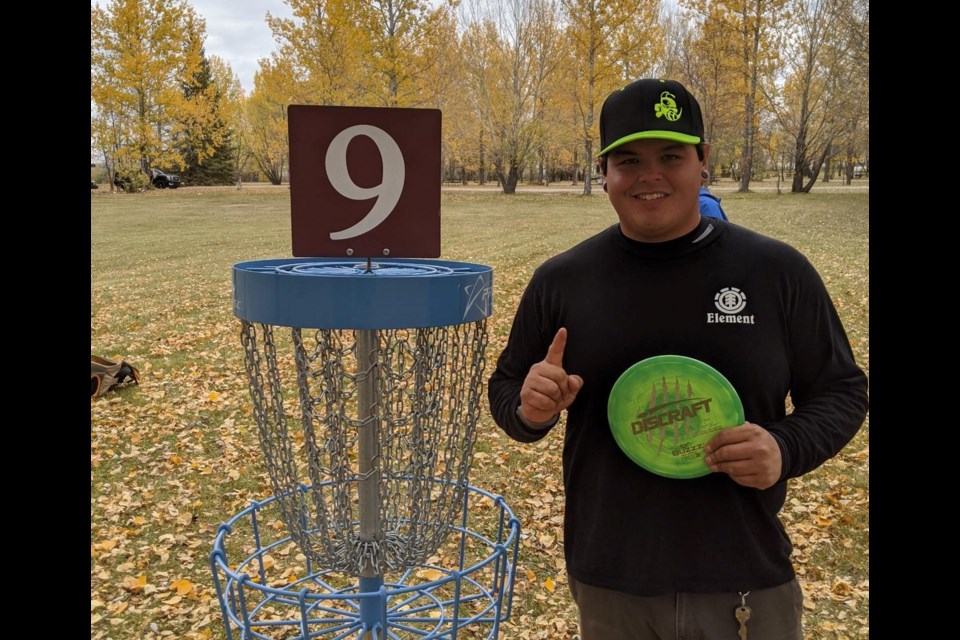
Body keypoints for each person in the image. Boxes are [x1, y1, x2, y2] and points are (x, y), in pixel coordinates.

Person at [487, 78, 868, 640]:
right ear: (605, 171)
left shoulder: (774, 272)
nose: (650, 175)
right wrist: (529, 410)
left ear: (703, 162)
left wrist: (784, 448)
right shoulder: (562, 280)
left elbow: (842, 389)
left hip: (743, 577)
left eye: (671, 155)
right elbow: (507, 388)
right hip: (610, 580)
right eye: (629, 159)